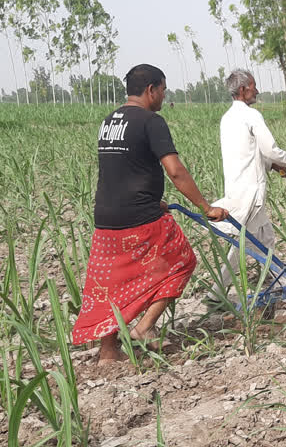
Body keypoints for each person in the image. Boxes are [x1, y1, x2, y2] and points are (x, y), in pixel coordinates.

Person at [72, 64, 228, 365]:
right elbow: (175, 171)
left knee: (110, 283)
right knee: (182, 260)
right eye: (163, 90)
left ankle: (108, 352)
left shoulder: (109, 121)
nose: (163, 96)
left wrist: (151, 197)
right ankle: (144, 328)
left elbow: (124, 166)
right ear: (151, 90)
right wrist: (206, 207)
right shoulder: (151, 121)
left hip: (106, 216)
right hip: (138, 217)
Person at [207, 69, 286, 302]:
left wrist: (276, 167)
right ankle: (216, 292)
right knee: (245, 242)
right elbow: (270, 150)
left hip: (237, 189)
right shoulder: (252, 116)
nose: (257, 91)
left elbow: (252, 153)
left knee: (265, 238)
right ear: (243, 90)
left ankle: (282, 278)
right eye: (253, 86)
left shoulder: (227, 119)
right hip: (252, 193)